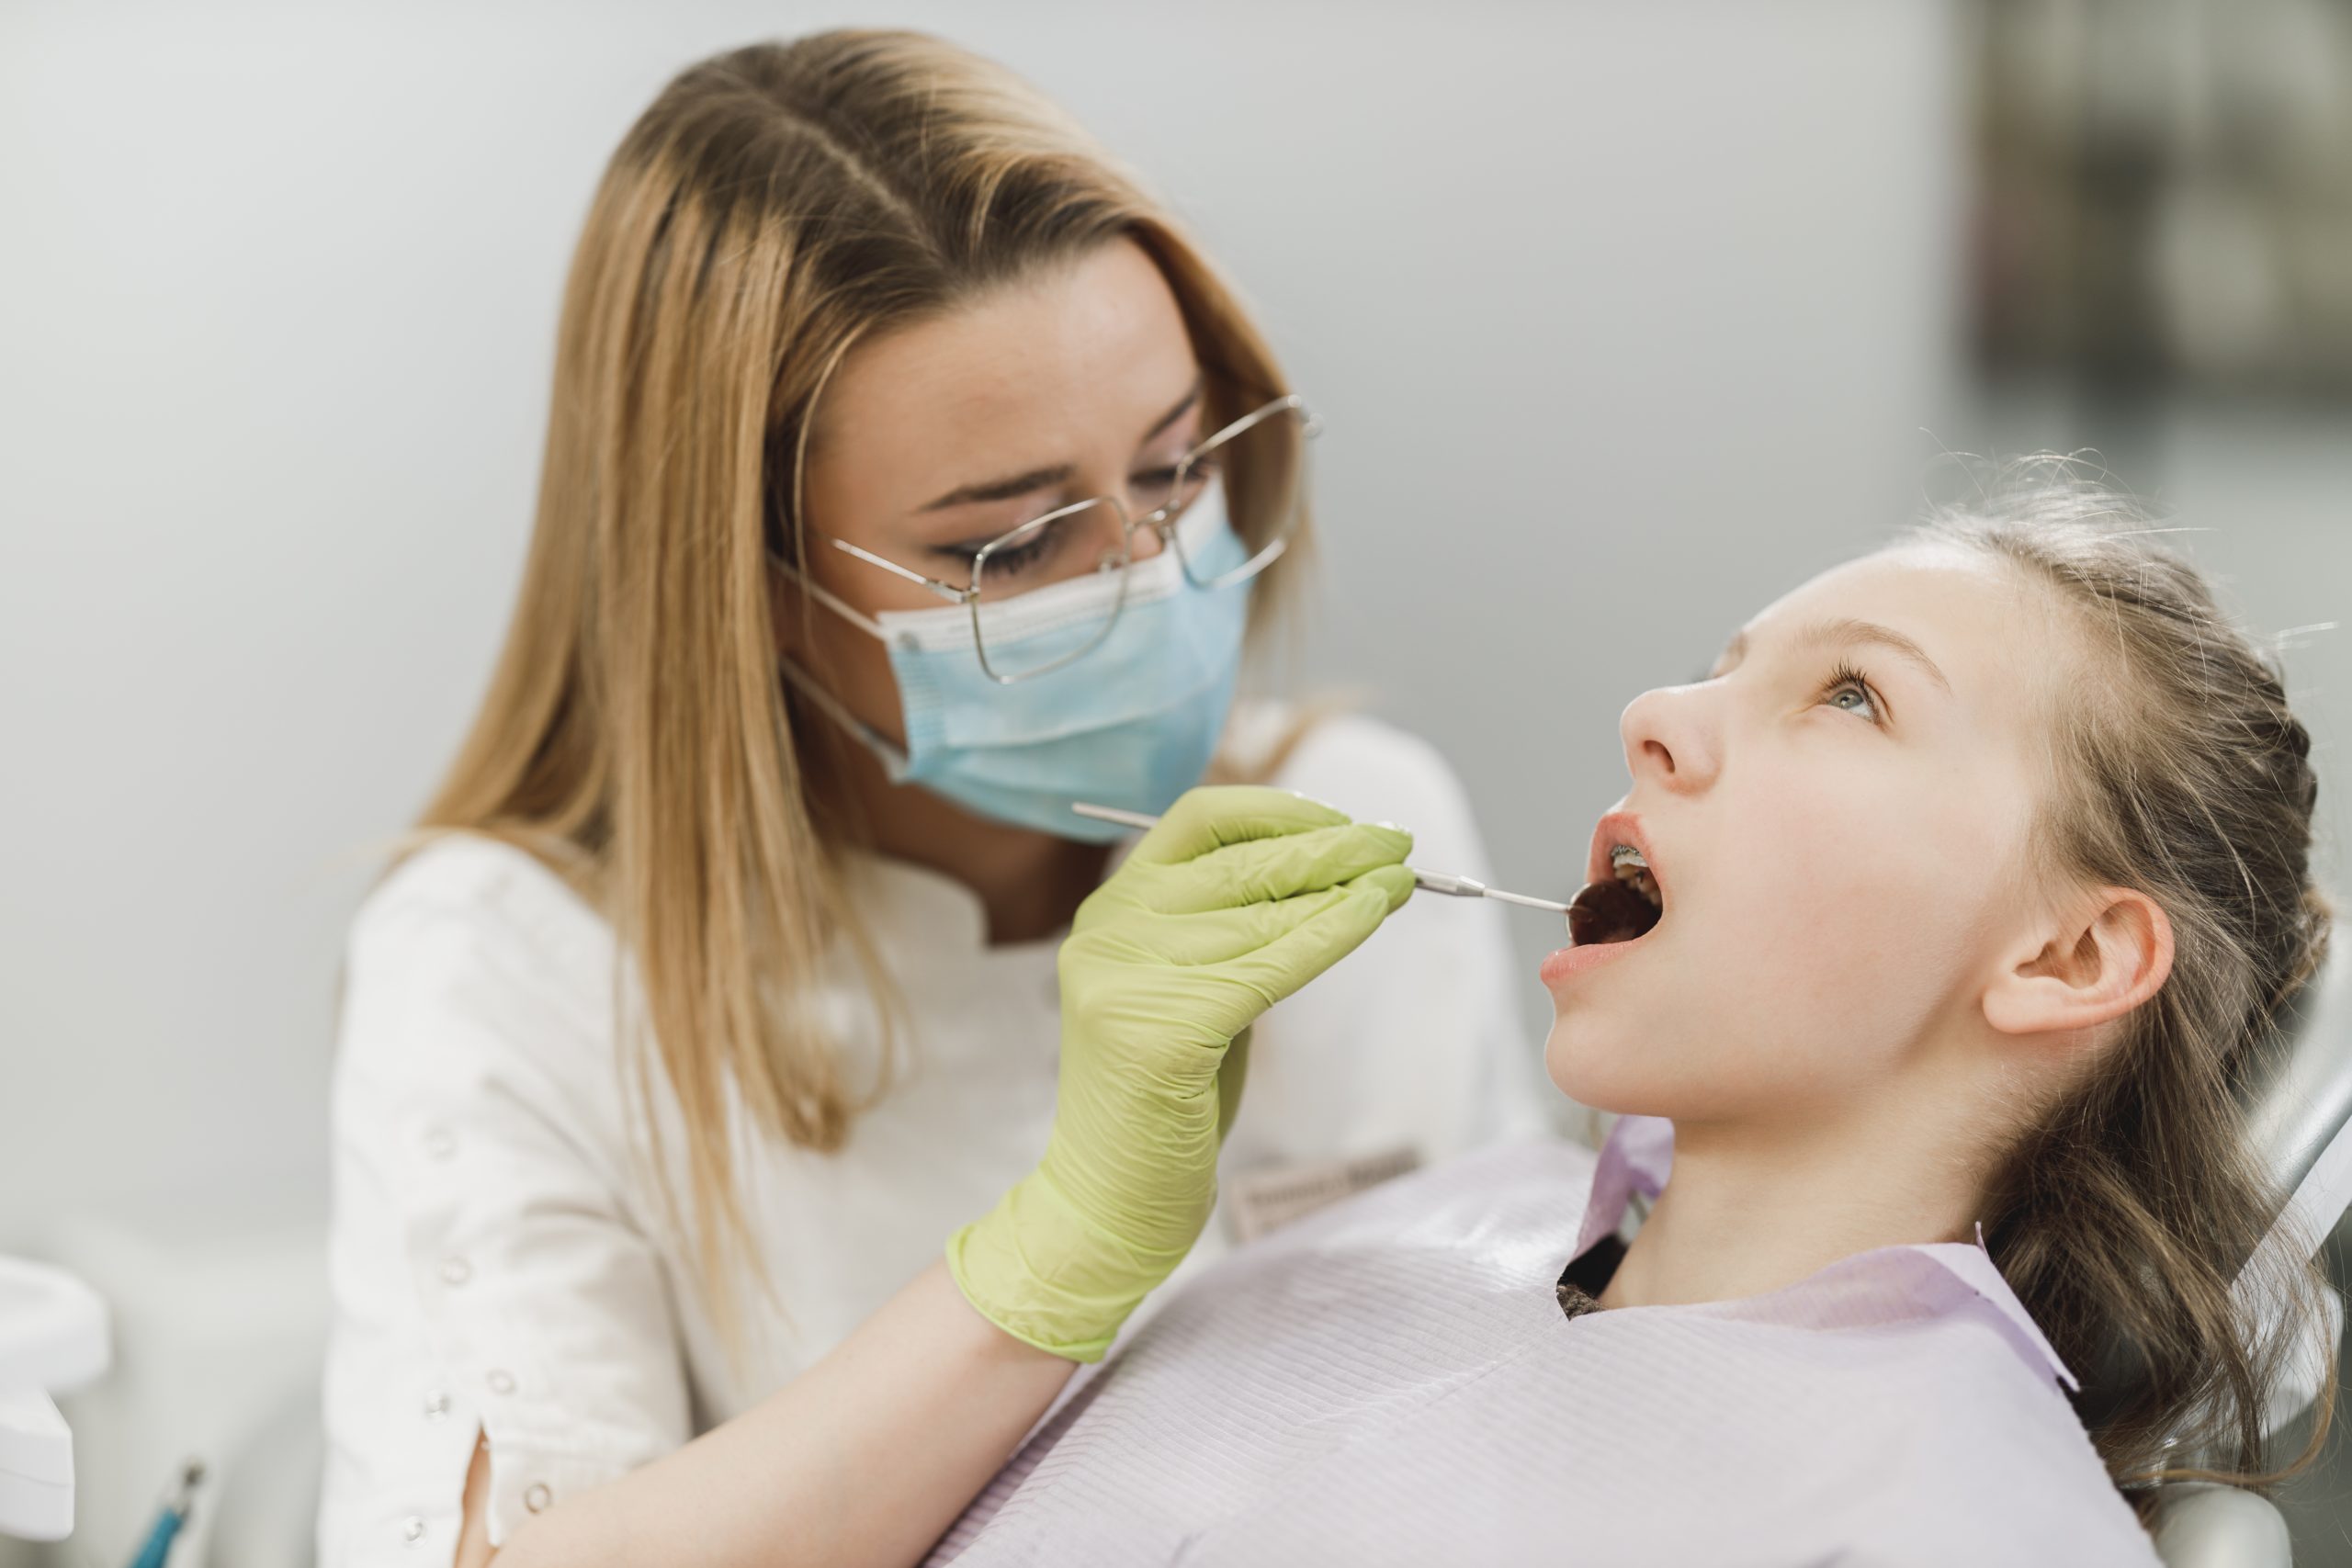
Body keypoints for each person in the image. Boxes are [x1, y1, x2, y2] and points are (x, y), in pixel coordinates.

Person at [318, 30, 1542, 1567]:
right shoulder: (510, 961)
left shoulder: (1363, 821)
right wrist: (1053, 1262)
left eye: (1171, 473)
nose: (1149, 588)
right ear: (748, 589)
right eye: (1012, 551)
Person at [923, 476, 2339, 1566]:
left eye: (1852, 696)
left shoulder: (1952, 1518)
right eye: (1720, 664)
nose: (1656, 711)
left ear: (2073, 955)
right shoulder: (1413, 1229)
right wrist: (1064, 1243)